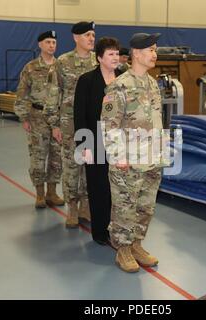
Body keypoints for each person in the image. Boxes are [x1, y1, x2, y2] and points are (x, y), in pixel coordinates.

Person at [101, 33, 166, 273]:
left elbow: (157, 119)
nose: (154, 54)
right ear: (136, 54)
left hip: (151, 158)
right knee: (124, 207)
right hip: (127, 162)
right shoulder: (119, 86)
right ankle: (123, 250)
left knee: (146, 206)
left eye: (155, 49)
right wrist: (119, 156)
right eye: (150, 49)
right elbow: (109, 125)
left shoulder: (152, 83)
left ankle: (137, 244)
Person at [74, 37, 123, 245]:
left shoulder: (124, 79)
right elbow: (80, 115)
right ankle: (100, 232)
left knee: (119, 188)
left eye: (117, 53)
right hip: (95, 140)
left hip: (119, 142)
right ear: (100, 57)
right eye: (110, 54)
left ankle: (119, 229)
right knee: (98, 187)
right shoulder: (87, 81)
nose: (115, 57)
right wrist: (84, 146)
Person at [14, 30, 64, 209]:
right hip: (37, 117)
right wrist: (24, 117)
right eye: (48, 42)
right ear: (40, 45)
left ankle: (52, 192)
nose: (52, 45)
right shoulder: (31, 67)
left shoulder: (61, 66)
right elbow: (22, 93)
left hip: (57, 118)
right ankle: (40, 194)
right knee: (38, 156)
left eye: (54, 42)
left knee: (57, 157)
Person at [57, 21, 98, 228]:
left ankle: (86, 207)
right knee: (72, 167)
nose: (92, 38)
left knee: (90, 165)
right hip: (69, 124)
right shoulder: (63, 62)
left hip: (92, 124)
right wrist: (55, 124)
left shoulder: (98, 62)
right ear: (76, 38)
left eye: (93, 34)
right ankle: (72, 208)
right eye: (87, 35)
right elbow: (54, 94)